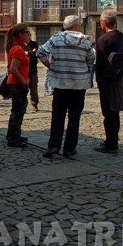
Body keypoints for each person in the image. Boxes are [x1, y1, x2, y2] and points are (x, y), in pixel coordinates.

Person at [38, 15, 95, 158]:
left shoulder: (56, 39)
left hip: (60, 84)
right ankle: (69, 149)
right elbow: (91, 60)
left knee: (57, 117)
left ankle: (53, 146)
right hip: (78, 85)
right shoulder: (86, 42)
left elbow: (40, 53)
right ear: (77, 26)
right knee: (74, 119)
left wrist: (51, 66)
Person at [93, 9, 123, 155]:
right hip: (118, 78)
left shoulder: (104, 39)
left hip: (106, 80)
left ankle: (110, 143)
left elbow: (100, 62)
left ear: (103, 22)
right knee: (115, 111)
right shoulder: (122, 37)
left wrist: (99, 79)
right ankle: (113, 140)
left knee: (108, 112)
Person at [5, 23, 32, 148]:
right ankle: (13, 138)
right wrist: (23, 83)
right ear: (21, 35)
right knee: (17, 111)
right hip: (17, 84)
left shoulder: (19, 47)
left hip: (17, 83)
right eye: (27, 33)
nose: (29, 35)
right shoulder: (17, 49)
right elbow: (13, 69)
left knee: (19, 110)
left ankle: (15, 134)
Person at [26, 36, 39, 111]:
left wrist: (27, 53)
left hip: (33, 70)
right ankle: (23, 106)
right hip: (23, 71)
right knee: (23, 90)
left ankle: (35, 104)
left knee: (34, 89)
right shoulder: (21, 45)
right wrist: (30, 53)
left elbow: (35, 52)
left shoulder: (34, 44)